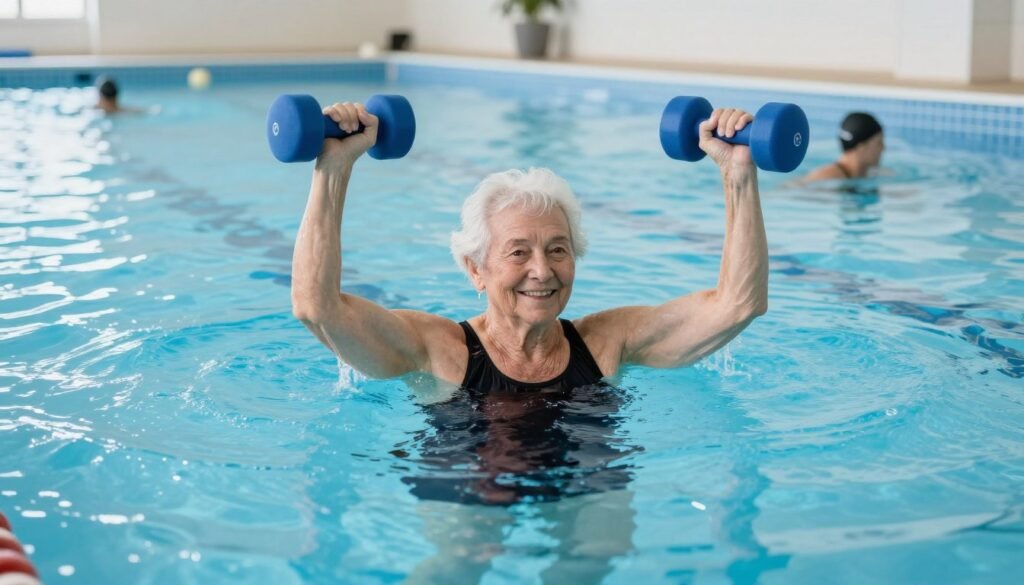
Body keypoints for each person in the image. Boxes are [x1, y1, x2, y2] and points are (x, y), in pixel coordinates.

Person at [290, 101, 768, 393]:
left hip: (583, 481)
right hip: (473, 480)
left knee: (594, 552)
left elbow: (737, 305)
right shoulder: (436, 351)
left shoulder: (607, 342)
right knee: (460, 559)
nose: (542, 270)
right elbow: (318, 308)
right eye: (518, 252)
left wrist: (738, 174)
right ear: (475, 269)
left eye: (558, 250)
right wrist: (333, 170)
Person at [801, 112, 885, 182]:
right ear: (861, 148)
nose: (883, 148)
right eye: (879, 143)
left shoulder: (865, 174)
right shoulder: (826, 177)